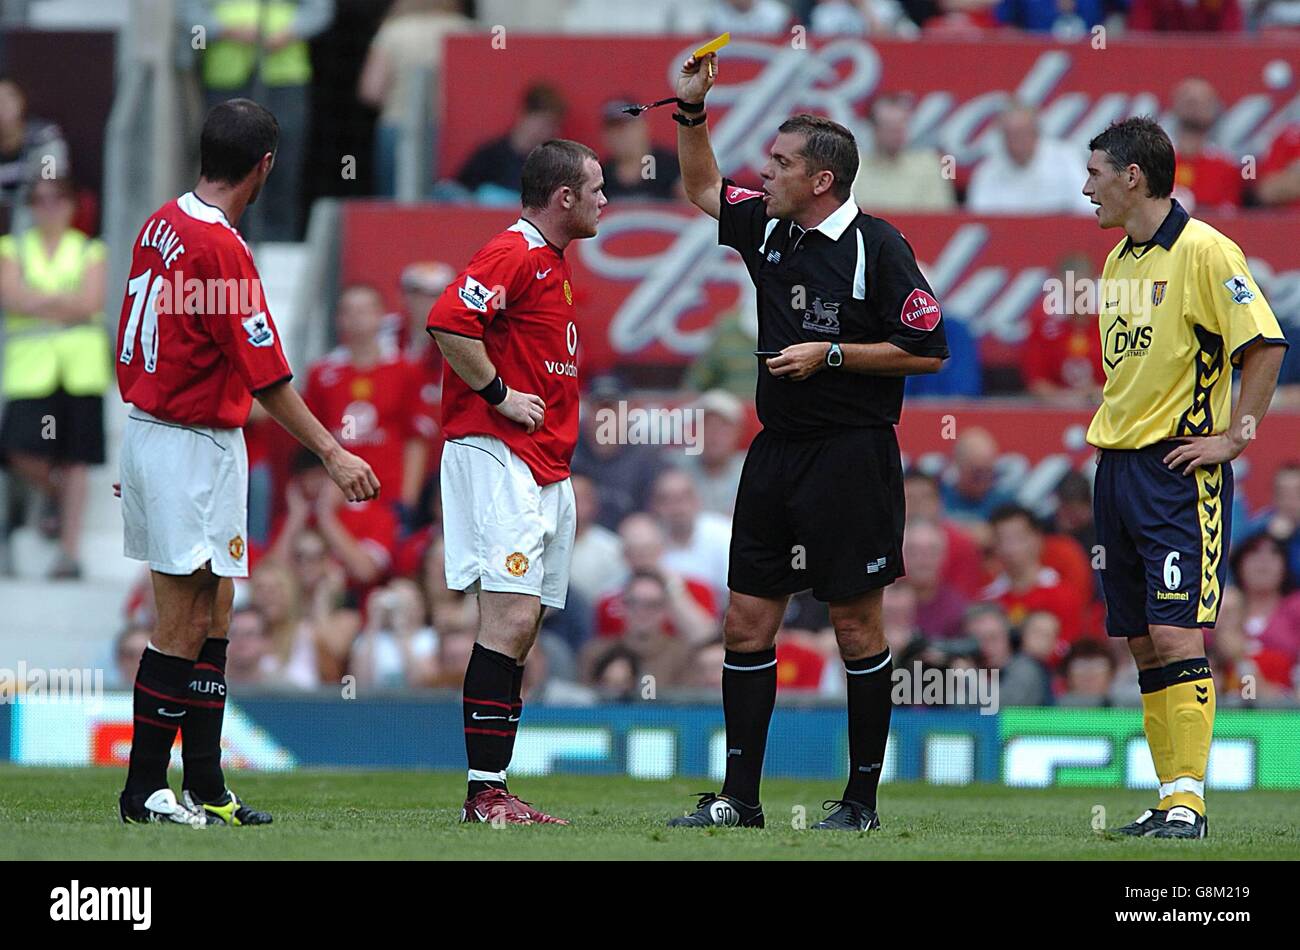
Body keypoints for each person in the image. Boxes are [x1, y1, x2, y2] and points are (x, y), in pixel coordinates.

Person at [666, 51, 947, 833]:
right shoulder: (770, 228)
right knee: (745, 622)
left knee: (856, 625)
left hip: (852, 454)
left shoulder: (878, 247)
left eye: (781, 162)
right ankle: (739, 800)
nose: (767, 171)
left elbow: (929, 350)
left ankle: (860, 803)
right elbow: (698, 185)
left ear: (820, 179)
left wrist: (833, 356)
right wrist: (692, 113)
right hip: (776, 451)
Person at [115, 99, 379, 827]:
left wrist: (146, 439)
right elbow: (268, 378)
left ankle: (205, 782)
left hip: (166, 432)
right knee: (179, 619)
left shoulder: (163, 220)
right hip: (187, 441)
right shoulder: (222, 250)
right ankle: (143, 790)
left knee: (219, 607)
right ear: (264, 166)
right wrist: (331, 451)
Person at [1082, 116, 1287, 838]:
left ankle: (1190, 802)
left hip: (1176, 471)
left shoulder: (1205, 250)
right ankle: (1169, 793)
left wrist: (1235, 436)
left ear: (1131, 176)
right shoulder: (1118, 261)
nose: (1087, 189)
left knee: (1177, 634)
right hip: (1117, 468)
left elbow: (1263, 344)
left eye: (1096, 173)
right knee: (1140, 637)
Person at [427, 137, 606, 826]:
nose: (604, 200)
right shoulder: (514, 251)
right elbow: (448, 321)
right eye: (595, 190)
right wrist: (500, 394)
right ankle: (485, 794)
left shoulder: (549, 264)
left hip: (542, 464)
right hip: (500, 452)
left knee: (523, 623)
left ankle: (493, 787)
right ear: (564, 198)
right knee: (507, 617)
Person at [0, 176, 109, 579]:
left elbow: (91, 301)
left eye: (55, 199)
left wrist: (38, 299)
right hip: (33, 368)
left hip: (79, 367)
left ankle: (69, 551)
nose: (48, 208)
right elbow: (11, 296)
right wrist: (65, 302)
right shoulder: (13, 247)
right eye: (39, 200)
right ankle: (56, 495)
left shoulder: (89, 248)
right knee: (23, 448)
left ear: (70, 206)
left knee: (76, 456)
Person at [183, 0, 335, 240]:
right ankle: (225, 237)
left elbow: (320, 10)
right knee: (227, 165)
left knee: (282, 164)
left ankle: (279, 242)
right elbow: (189, 12)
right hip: (227, 75)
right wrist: (226, 30)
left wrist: (290, 32)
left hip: (284, 76)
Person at [304, 283, 434, 518]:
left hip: (387, 492)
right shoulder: (321, 373)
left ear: (380, 315)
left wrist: (407, 499)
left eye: (363, 310)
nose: (356, 318)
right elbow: (308, 435)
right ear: (338, 319)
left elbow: (415, 439)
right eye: (348, 311)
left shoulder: (406, 370)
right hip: (336, 494)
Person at [357, 0, 472, 196]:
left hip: (396, 125)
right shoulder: (465, 29)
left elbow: (371, 91)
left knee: (393, 205)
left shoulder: (393, 31)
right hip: (448, 130)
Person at [966, 103, 1093, 216]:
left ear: (1036, 132)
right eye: (1010, 134)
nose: (1017, 140)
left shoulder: (1066, 158)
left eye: (1022, 133)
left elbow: (1087, 208)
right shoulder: (987, 171)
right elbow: (980, 218)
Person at [454, 83, 567, 203]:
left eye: (553, 125)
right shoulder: (489, 156)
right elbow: (457, 196)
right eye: (543, 123)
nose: (548, 131)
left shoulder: (554, 167)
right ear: (524, 114)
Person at [852, 93, 956, 213]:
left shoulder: (930, 164)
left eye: (901, 124)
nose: (897, 132)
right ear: (873, 128)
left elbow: (941, 216)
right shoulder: (854, 167)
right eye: (889, 126)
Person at [0, 77, 70, 230]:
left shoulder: (44, 138)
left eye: (7, 99)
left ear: (20, 101)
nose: (2, 107)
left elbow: (51, 182)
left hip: (33, 213)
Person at [599, 96, 683, 201]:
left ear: (643, 126)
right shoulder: (601, 175)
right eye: (612, 128)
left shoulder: (670, 168)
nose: (619, 135)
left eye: (625, 126)